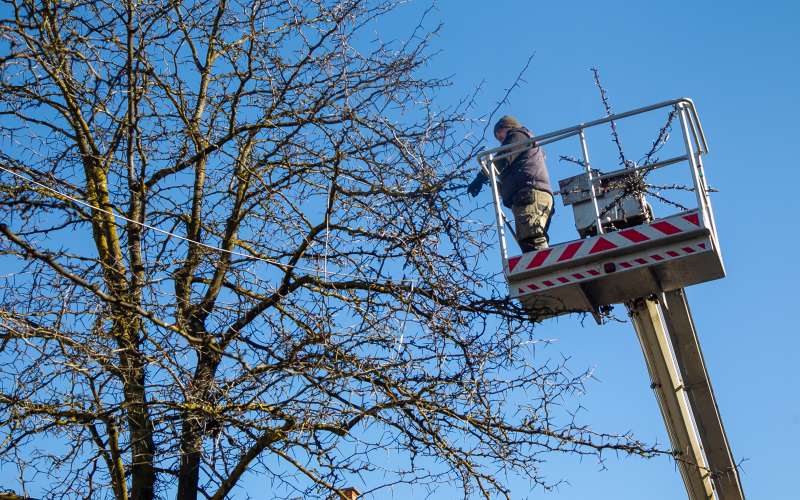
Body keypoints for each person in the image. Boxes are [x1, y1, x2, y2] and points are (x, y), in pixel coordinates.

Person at [468, 115, 554, 252]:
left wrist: (480, 177)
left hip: (529, 196)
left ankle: (548, 269)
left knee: (531, 241)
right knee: (533, 240)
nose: (501, 141)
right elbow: (515, 170)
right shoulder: (528, 148)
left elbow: (502, 158)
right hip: (535, 196)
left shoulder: (518, 135)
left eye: (500, 136)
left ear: (508, 127)